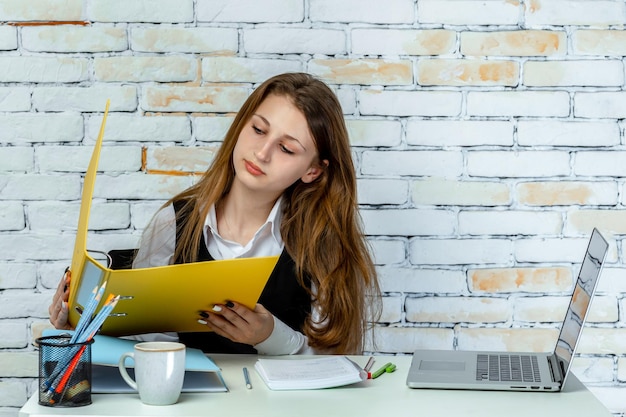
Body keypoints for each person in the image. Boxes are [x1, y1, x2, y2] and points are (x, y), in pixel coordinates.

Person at [49, 72, 381, 355]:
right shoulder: (174, 222)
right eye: (258, 130)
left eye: (286, 148)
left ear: (312, 171)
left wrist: (269, 337)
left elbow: (338, 360)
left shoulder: (322, 242)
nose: (262, 153)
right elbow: (143, 343)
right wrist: (77, 320)